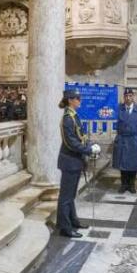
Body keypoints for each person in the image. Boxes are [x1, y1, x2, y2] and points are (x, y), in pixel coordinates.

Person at [56, 89, 98, 238]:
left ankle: (73, 221)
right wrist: (88, 150)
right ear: (70, 100)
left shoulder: (74, 116)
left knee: (70, 195)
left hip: (75, 161)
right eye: (77, 98)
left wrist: (90, 144)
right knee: (66, 197)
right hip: (69, 161)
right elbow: (71, 142)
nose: (80, 100)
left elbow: (80, 137)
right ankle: (64, 227)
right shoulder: (68, 118)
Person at [112, 87, 137, 194]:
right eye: (126, 96)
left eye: (130, 96)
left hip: (134, 139)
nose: (128, 98)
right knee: (123, 163)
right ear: (124, 97)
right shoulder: (119, 109)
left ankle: (131, 184)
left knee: (133, 163)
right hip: (123, 139)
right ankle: (124, 184)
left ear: (133, 97)